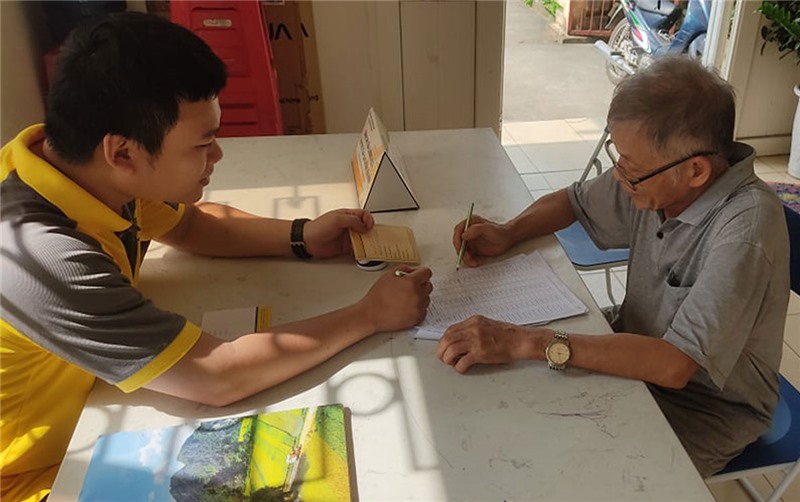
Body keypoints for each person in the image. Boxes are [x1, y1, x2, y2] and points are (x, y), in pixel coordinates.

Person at [0, 12, 432, 502]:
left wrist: (303, 236)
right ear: (122, 153)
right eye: (203, 144)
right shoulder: (44, 257)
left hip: (85, 412)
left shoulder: (73, 167)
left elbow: (190, 225)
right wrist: (369, 315)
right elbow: (215, 375)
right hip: (31, 478)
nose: (218, 156)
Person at [437, 56, 790, 477]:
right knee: (499, 404)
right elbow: (573, 201)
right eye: (617, 157)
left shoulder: (745, 230)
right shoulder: (658, 178)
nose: (619, 176)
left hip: (704, 407)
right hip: (631, 341)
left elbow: (675, 365)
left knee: (558, 470)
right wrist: (508, 232)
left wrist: (525, 341)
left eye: (631, 169)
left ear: (696, 170)